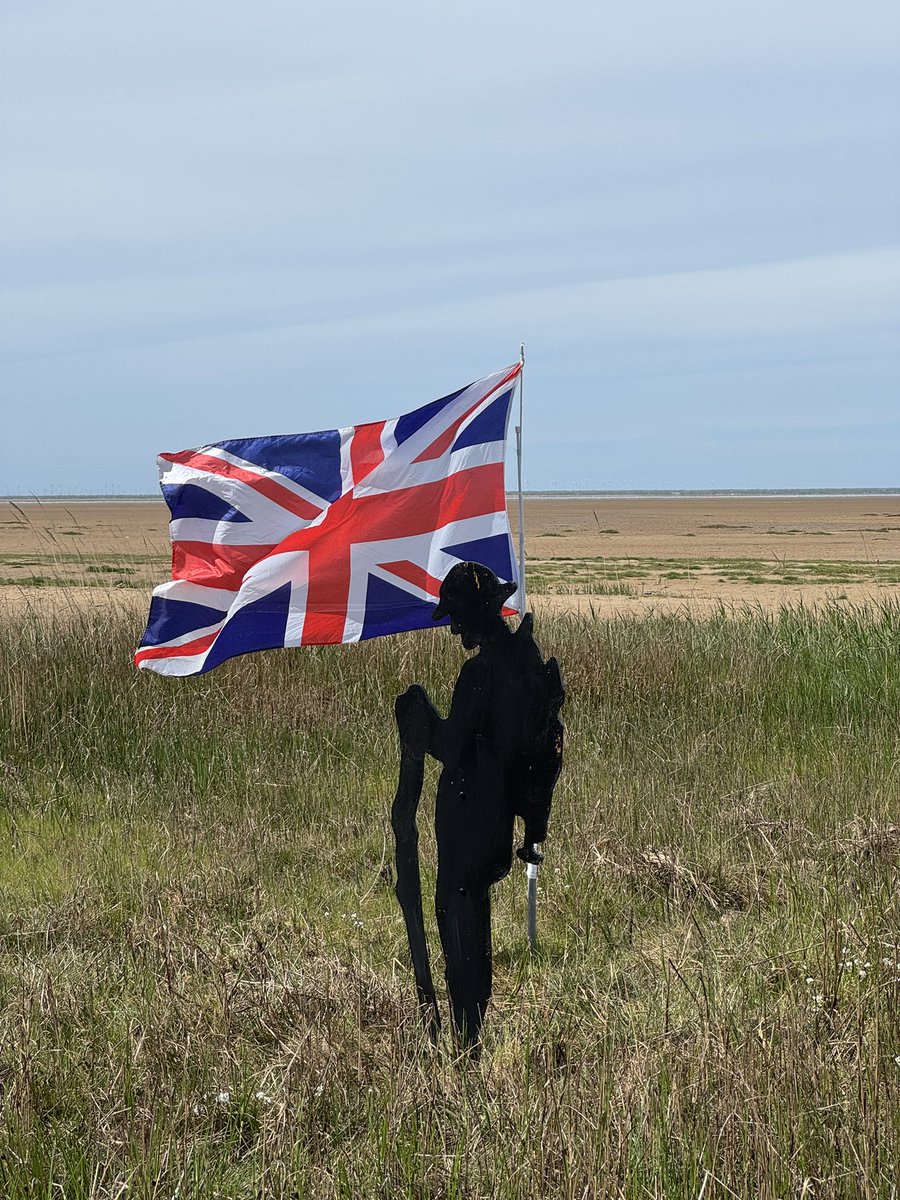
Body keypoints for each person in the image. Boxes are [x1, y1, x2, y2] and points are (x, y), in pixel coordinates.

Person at [394, 561, 564, 1047]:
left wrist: (422, 714)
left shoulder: (482, 672)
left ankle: (466, 1036)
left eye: (458, 616)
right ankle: (472, 1029)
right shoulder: (524, 662)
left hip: (472, 816)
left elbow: (453, 745)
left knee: (458, 918)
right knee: (473, 920)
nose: (454, 627)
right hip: (498, 818)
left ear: (476, 614)